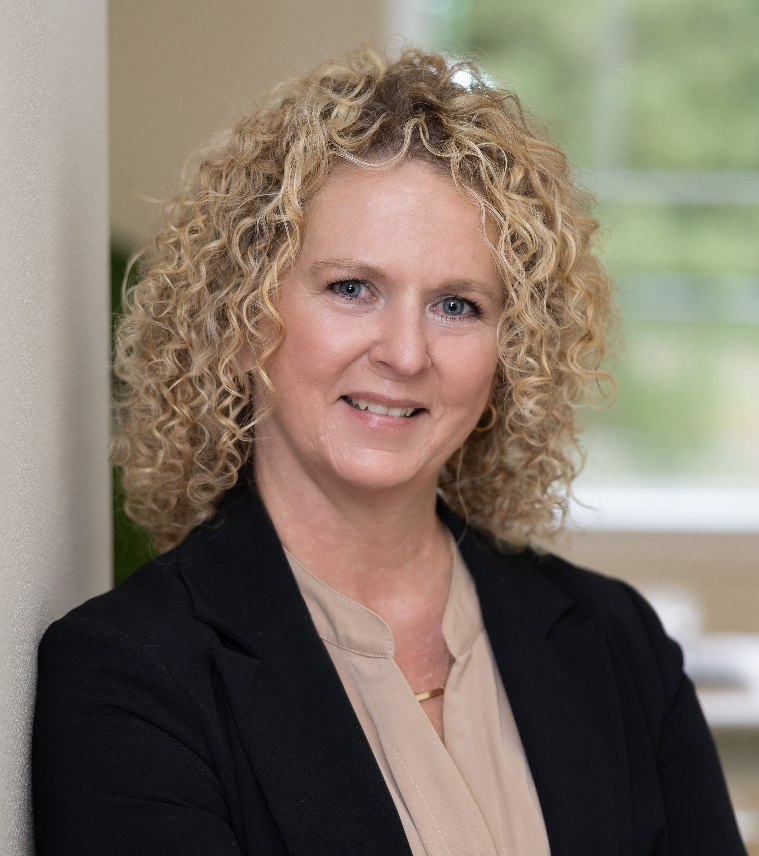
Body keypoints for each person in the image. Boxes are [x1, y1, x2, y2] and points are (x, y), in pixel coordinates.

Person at [32, 46, 746, 855]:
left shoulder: (618, 645)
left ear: (507, 355)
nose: (405, 353)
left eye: (455, 304)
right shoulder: (130, 674)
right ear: (239, 323)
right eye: (350, 289)